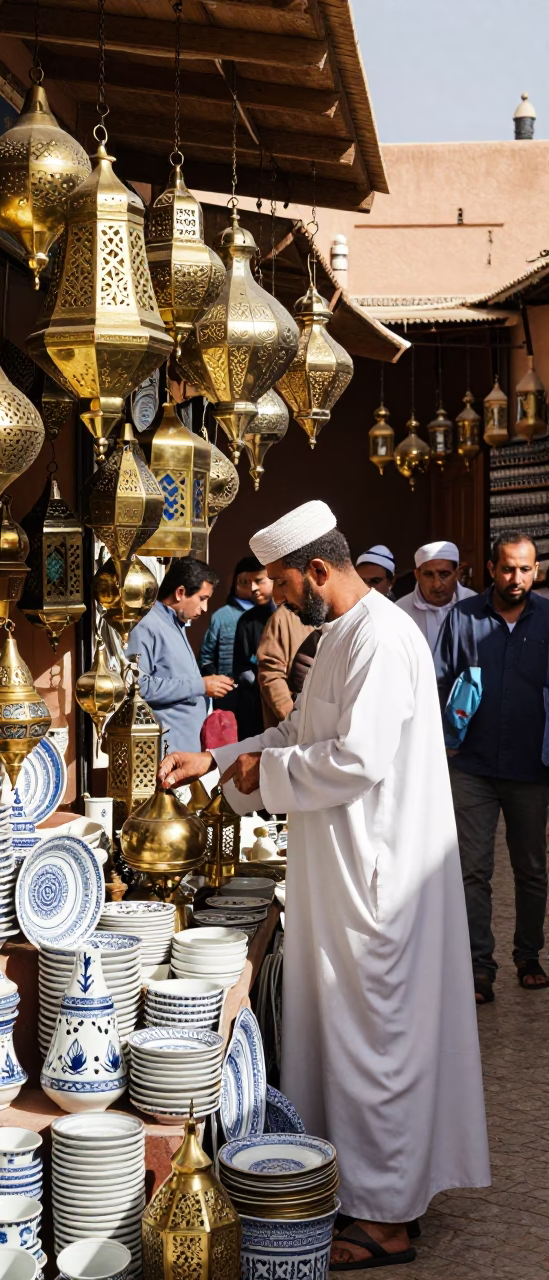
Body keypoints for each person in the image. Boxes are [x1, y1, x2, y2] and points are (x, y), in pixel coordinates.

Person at [158, 499, 490, 1270]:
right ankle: (365, 1195)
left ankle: (386, 1220)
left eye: (277, 582)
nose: (269, 596)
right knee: (350, 1041)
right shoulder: (341, 635)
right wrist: (216, 761)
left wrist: (262, 772)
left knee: (375, 1047)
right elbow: (299, 735)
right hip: (344, 874)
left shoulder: (382, 638)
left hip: (379, 880)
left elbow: (355, 760)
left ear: (316, 570)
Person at [436, 532, 549, 1005]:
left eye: (525, 569)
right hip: (474, 765)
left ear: (536, 570)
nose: (516, 578)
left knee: (532, 869)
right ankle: (478, 967)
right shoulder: (462, 618)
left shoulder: (548, 619)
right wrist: (445, 742)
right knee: (471, 870)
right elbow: (437, 682)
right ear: (489, 569)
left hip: (531, 767)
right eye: (507, 569)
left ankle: (528, 956)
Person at [127, 557, 233, 754]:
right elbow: (138, 686)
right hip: (165, 752)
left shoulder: (174, 624)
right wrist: (201, 685)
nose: (204, 609)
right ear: (180, 593)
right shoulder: (147, 624)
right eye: (202, 599)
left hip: (185, 750)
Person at [396, 540, 475, 652]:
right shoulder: (400, 612)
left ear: (457, 574)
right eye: (429, 575)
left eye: (444, 574)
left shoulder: (476, 605)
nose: (436, 584)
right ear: (417, 575)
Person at [232, 563, 276, 738]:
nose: (253, 588)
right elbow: (241, 666)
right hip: (257, 705)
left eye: (259, 581)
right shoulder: (247, 621)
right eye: (248, 583)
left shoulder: (296, 615)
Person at [199, 556, 261, 678]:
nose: (252, 587)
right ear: (235, 583)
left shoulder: (272, 614)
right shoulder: (221, 616)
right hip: (228, 687)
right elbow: (206, 657)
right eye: (244, 582)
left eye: (257, 581)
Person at [256, 604, 315, 728]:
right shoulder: (283, 618)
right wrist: (295, 721)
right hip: (294, 732)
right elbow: (271, 674)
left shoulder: (350, 615)